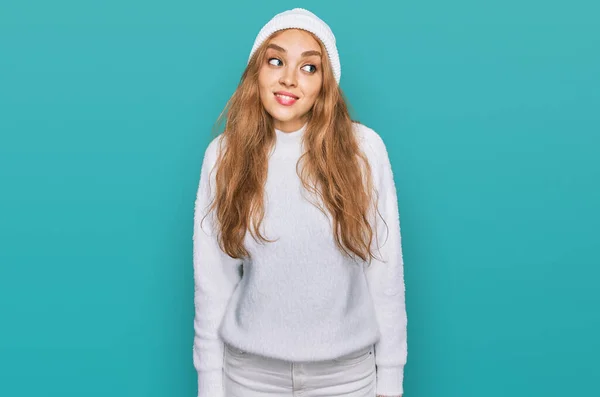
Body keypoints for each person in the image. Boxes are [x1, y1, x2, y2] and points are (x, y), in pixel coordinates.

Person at [192, 8, 407, 397]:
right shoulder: (224, 155)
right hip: (250, 377)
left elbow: (385, 272)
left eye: (309, 68)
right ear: (256, 70)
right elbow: (213, 282)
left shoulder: (363, 150)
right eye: (276, 61)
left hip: (347, 378)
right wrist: (210, 383)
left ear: (326, 83)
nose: (289, 78)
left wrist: (390, 379)